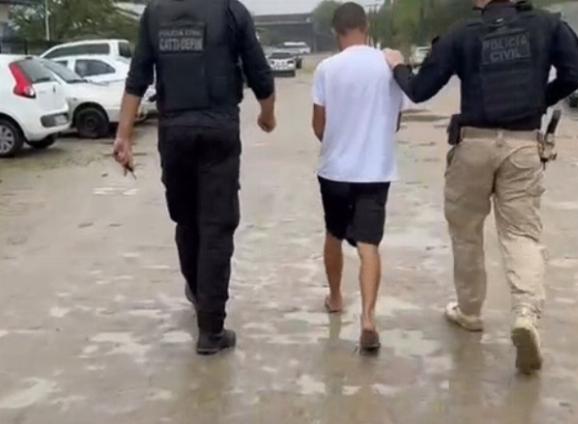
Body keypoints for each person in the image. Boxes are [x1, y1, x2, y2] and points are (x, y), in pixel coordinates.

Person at [384, 0, 578, 373]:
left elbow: (420, 90)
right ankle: (525, 313)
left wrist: (397, 65)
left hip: (473, 144)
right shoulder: (548, 25)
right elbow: (576, 74)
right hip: (523, 145)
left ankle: (470, 311)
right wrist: (537, 100)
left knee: (466, 233)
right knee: (521, 234)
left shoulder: (461, 34)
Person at [113, 0, 276, 355]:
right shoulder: (231, 10)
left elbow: (138, 77)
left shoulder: (155, 13)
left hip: (174, 132)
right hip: (219, 129)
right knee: (216, 227)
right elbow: (259, 72)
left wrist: (124, 135)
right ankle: (211, 330)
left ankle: (200, 293)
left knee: (187, 222)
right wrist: (268, 114)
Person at [312, 2, 406, 352]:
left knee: (334, 234)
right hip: (375, 170)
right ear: (366, 27)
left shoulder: (326, 68)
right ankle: (367, 318)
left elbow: (318, 125)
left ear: (336, 32)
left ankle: (336, 297)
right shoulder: (389, 65)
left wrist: (339, 142)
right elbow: (395, 121)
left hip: (335, 171)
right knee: (369, 245)